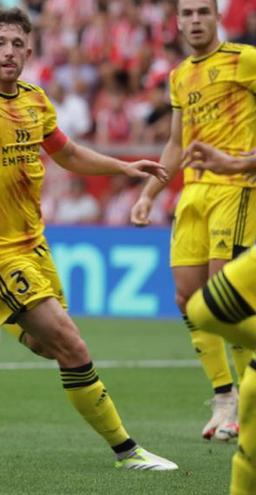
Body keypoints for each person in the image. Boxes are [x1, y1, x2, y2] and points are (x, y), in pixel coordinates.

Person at [0, 8, 177, 470]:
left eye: (18, 44)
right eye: (0, 43)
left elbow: (70, 153)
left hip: (35, 246)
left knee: (47, 347)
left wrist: (124, 166)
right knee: (74, 347)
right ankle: (127, 450)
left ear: (30, 52)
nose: (9, 52)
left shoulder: (36, 99)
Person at [129, 0, 256, 441]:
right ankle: (225, 396)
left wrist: (243, 163)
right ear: (178, 21)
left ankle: (249, 399)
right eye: (188, 13)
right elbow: (175, 143)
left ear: (218, 17)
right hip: (194, 193)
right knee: (187, 298)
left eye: (204, 11)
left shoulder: (247, 61)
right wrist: (149, 193)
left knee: (226, 301)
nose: (196, 20)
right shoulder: (180, 75)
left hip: (237, 191)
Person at [181, 140, 256, 495]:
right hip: (207, 187)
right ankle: (229, 397)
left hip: (235, 194)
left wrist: (235, 164)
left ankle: (237, 399)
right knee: (199, 305)